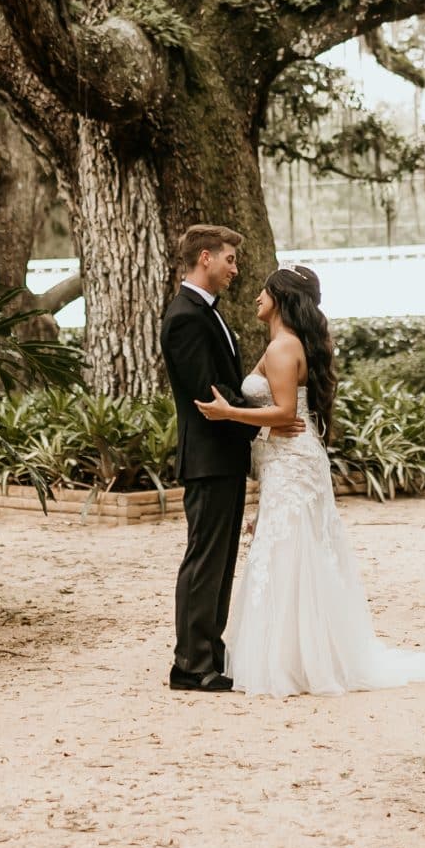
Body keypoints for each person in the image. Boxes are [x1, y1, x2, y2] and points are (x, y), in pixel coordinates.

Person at [197, 264, 425, 697]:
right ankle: (299, 653)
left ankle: (294, 660)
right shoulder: (286, 343)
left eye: (264, 290)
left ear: (279, 297)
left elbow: (285, 415)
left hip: (292, 459)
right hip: (289, 460)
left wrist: (229, 414)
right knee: (292, 547)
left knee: (291, 549)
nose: (257, 295)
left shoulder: (282, 348)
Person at [160, 224, 273, 692]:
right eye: (229, 259)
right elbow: (211, 392)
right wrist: (267, 417)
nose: (235, 268)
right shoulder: (185, 316)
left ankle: (210, 650)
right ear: (205, 258)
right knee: (205, 559)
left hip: (224, 457)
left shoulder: (208, 313)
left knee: (221, 559)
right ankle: (189, 663)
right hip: (207, 457)